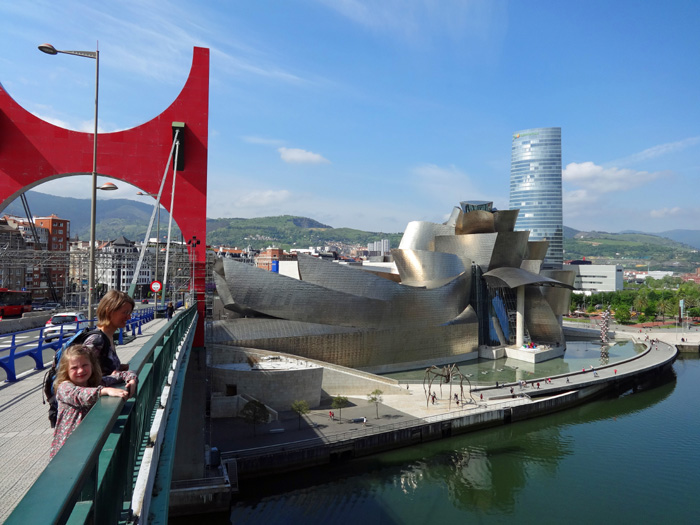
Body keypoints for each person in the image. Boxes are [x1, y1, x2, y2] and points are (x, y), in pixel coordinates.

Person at [50, 344, 137, 458]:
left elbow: (121, 375)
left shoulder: (95, 383)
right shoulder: (64, 387)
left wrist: (132, 380)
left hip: (88, 443)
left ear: (92, 365)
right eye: (74, 368)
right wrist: (104, 391)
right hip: (67, 448)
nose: (80, 370)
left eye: (85, 365)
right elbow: (79, 395)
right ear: (66, 371)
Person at [84, 291, 137, 397]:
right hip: (90, 410)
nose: (129, 317)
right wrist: (116, 377)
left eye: (130, 313)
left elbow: (100, 369)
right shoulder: (96, 341)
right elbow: (81, 382)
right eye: (125, 312)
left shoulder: (108, 337)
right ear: (109, 311)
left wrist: (117, 368)